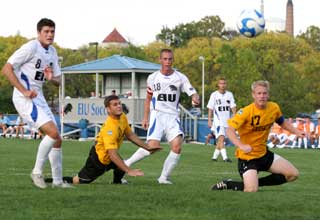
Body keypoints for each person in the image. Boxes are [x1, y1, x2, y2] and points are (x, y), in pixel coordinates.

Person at [1, 18, 71, 189]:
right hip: (24, 98)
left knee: (57, 139)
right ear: (38, 33)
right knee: (53, 133)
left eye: (52, 31)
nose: (50, 34)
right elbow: (6, 69)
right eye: (46, 31)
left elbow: (58, 81)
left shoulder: (53, 52)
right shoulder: (31, 47)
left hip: (38, 97)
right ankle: (37, 172)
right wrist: (24, 90)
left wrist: (51, 78)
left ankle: (57, 181)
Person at [211, 80, 305, 192]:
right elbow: (230, 131)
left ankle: (252, 183)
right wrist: (241, 145)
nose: (262, 96)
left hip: (264, 155)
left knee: (293, 174)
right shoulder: (245, 112)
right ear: (253, 95)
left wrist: (297, 132)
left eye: (264, 93)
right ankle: (229, 184)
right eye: (259, 93)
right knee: (251, 190)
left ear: (268, 94)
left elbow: (282, 122)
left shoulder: (274, 108)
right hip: (248, 158)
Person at [46, 95, 161, 185]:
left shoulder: (122, 117)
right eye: (115, 104)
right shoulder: (109, 128)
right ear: (108, 109)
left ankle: (117, 182)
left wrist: (148, 147)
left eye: (119, 103)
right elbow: (112, 154)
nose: (119, 106)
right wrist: (129, 170)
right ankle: (52, 180)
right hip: (98, 160)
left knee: (120, 166)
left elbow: (130, 135)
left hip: (111, 156)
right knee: (79, 181)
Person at [124, 48, 200, 184]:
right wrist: (145, 117)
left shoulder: (180, 77)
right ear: (160, 60)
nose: (167, 62)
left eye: (170, 59)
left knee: (177, 146)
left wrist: (195, 98)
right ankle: (125, 164)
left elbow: (192, 92)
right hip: (157, 115)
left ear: (173, 60)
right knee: (151, 148)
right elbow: (148, 99)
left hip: (173, 117)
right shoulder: (153, 77)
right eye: (165, 59)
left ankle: (164, 177)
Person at [207, 77, 236, 162]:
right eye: (221, 83)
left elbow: (233, 106)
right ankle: (225, 157)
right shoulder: (214, 95)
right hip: (218, 121)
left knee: (221, 140)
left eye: (224, 83)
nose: (222, 85)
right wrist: (209, 120)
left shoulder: (229, 94)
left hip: (227, 121)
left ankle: (214, 157)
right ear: (218, 85)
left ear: (226, 85)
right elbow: (210, 108)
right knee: (221, 138)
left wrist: (234, 116)